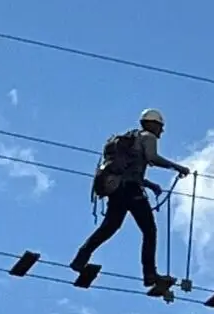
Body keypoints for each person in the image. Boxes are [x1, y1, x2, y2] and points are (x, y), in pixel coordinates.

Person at [72, 110, 189, 297]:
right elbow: (152, 158)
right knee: (149, 231)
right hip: (131, 191)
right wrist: (177, 167)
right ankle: (149, 274)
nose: (162, 130)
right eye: (160, 126)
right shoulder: (148, 137)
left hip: (119, 190)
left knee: (109, 228)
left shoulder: (132, 138)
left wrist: (150, 185)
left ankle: (80, 258)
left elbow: (130, 171)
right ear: (151, 124)